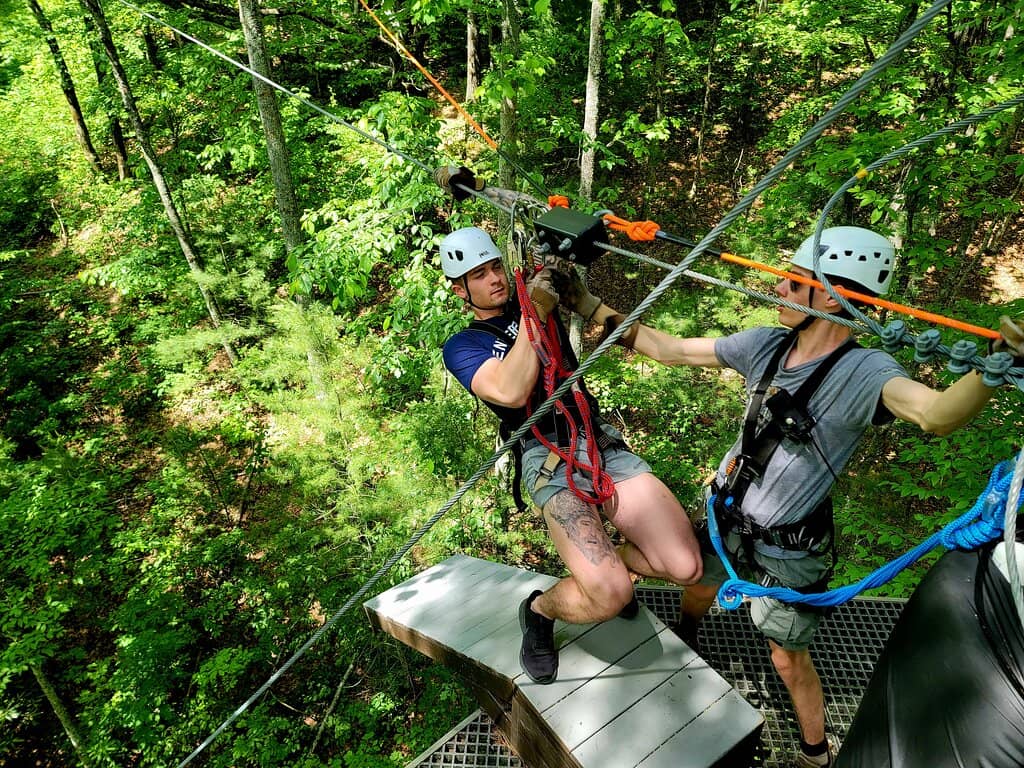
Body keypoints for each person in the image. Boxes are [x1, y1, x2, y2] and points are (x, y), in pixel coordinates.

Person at [590, 226, 1024, 768]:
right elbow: (670, 349)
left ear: (835, 298)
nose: (782, 293)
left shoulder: (867, 373)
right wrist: (590, 305)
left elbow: (936, 415)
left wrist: (991, 369)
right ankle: (688, 634)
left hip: (788, 548)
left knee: (788, 659)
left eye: (796, 285)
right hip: (729, 517)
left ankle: (815, 752)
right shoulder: (767, 345)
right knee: (696, 583)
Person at [439, 226, 703, 685]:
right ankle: (540, 611)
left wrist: (575, 288)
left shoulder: (531, 298)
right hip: (544, 452)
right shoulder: (464, 346)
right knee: (610, 597)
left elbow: (564, 275)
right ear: (460, 289)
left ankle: (611, 558)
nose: (495, 279)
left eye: (496, 267)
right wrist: (535, 311)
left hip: (595, 438)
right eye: (479, 275)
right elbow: (509, 389)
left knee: (686, 565)